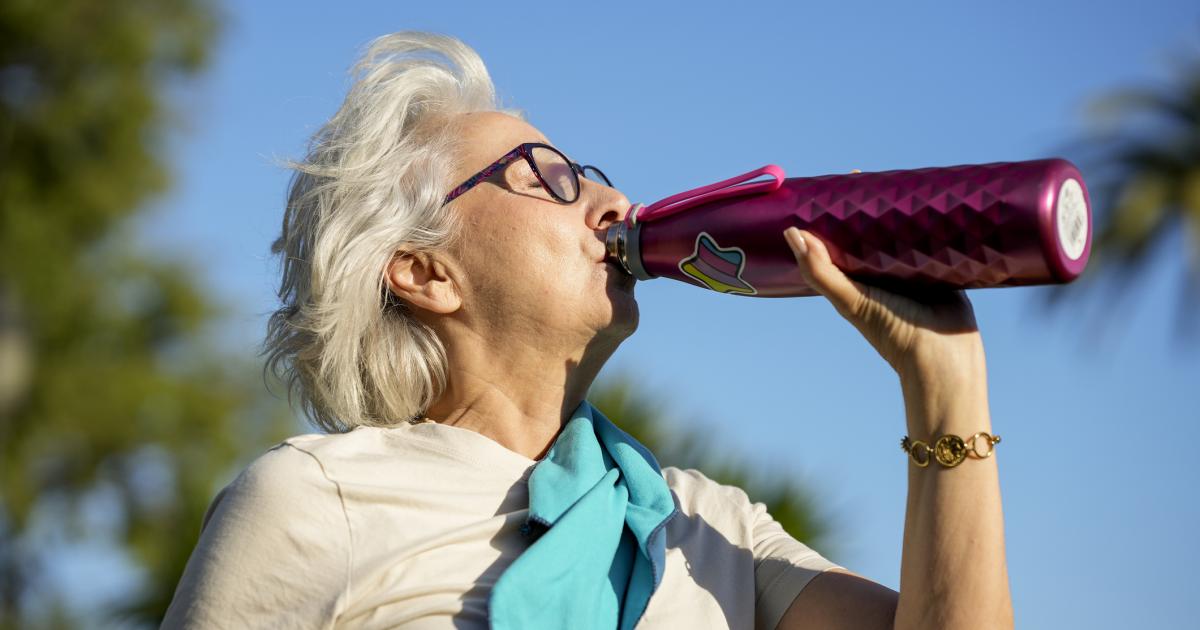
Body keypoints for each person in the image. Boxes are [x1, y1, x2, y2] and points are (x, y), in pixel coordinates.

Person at [161, 32, 1012, 630]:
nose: (616, 204)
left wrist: (945, 385)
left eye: (592, 174)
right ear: (425, 271)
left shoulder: (707, 526)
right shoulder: (314, 502)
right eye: (546, 177)